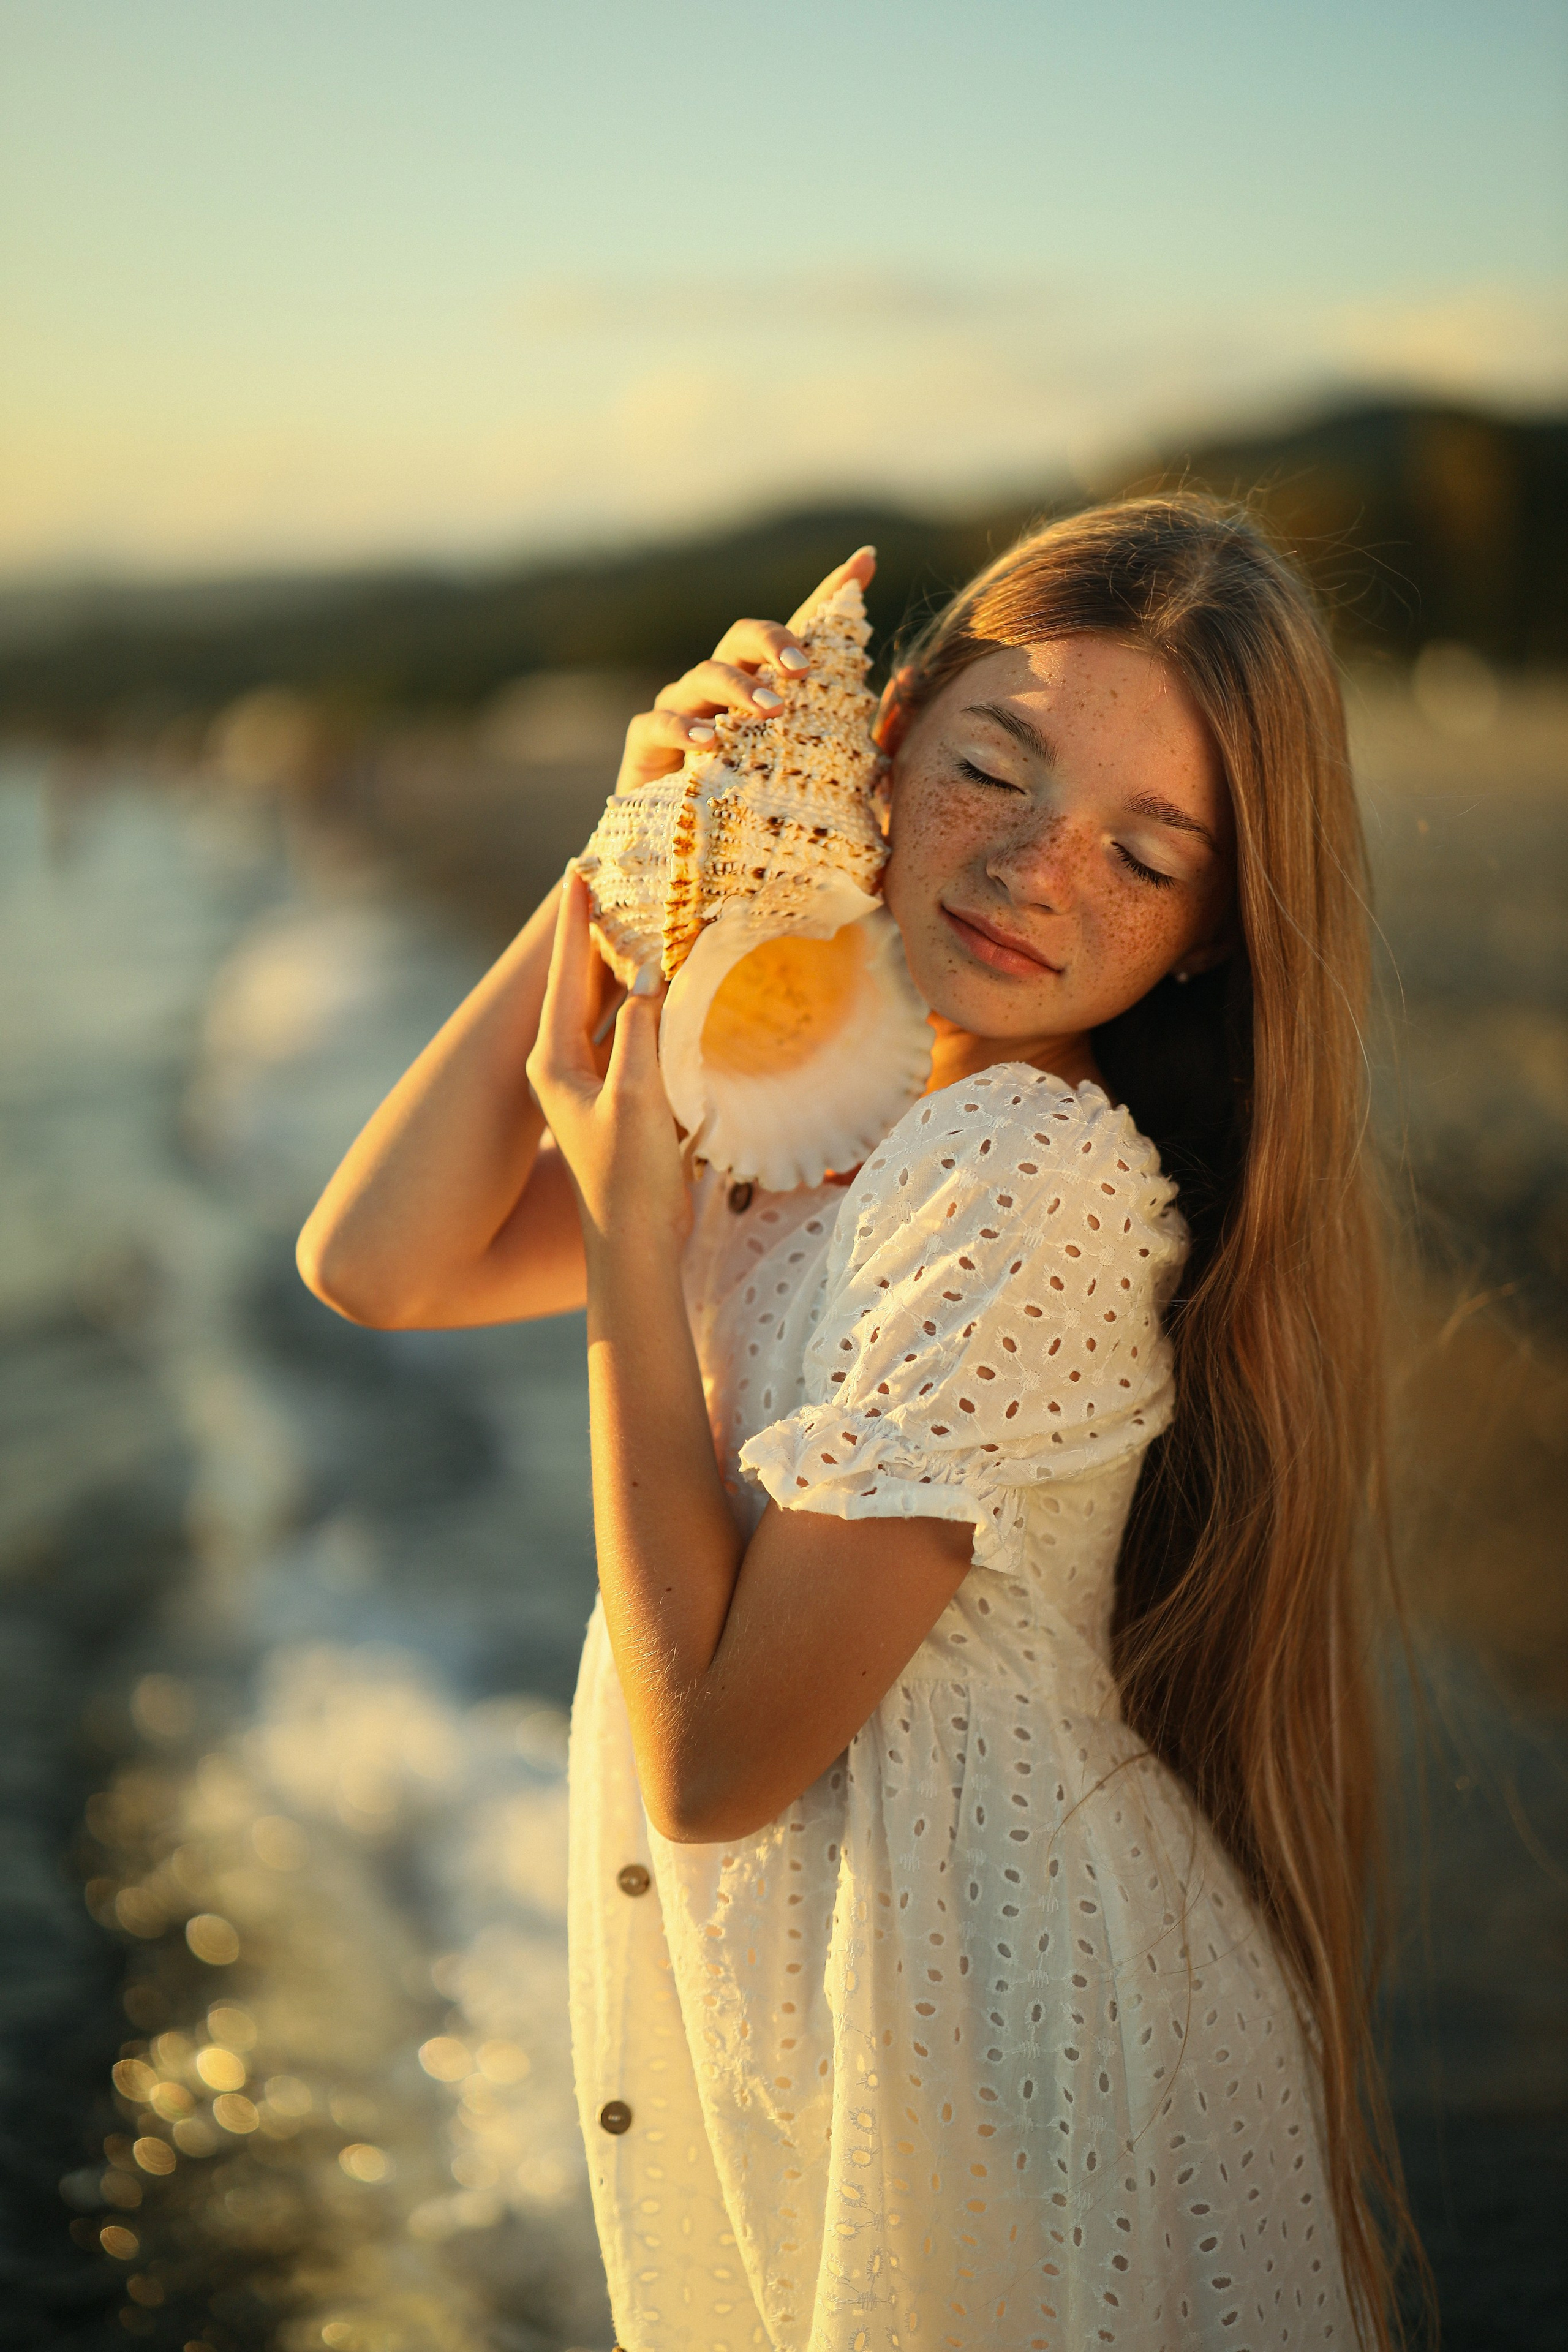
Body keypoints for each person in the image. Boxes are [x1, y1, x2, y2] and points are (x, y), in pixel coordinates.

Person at [298, 500, 1412, 2350]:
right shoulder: (847, 1096)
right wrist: (630, 835)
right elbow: (377, 1262)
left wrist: (636, 1245)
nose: (1038, 869)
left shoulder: (1023, 1169)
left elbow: (721, 1764)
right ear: (891, 738)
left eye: (1147, 856)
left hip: (986, 2048)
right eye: (996, 767)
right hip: (883, 2001)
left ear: (1216, 938)